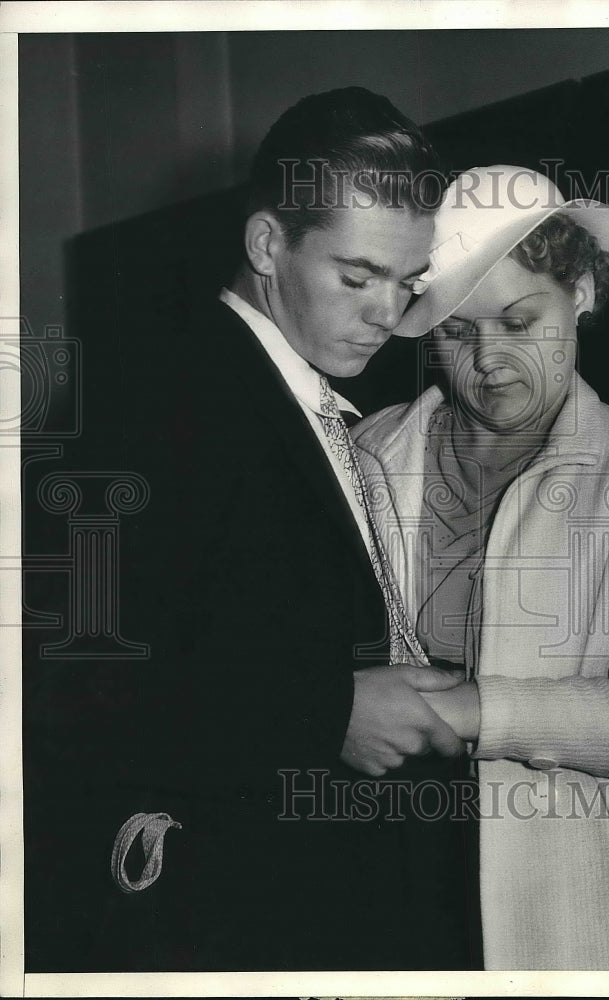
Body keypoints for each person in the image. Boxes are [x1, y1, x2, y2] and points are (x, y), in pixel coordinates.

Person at [23, 88, 482, 973]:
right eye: (356, 276)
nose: (388, 314)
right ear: (268, 244)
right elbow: (61, 688)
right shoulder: (144, 398)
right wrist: (332, 711)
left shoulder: (310, 399)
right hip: (223, 922)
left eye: (406, 282)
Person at [353, 165, 609, 970]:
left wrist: (480, 711)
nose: (490, 358)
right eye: (458, 332)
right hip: (395, 877)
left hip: (587, 899)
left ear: (581, 296)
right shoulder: (365, 451)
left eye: (519, 320)